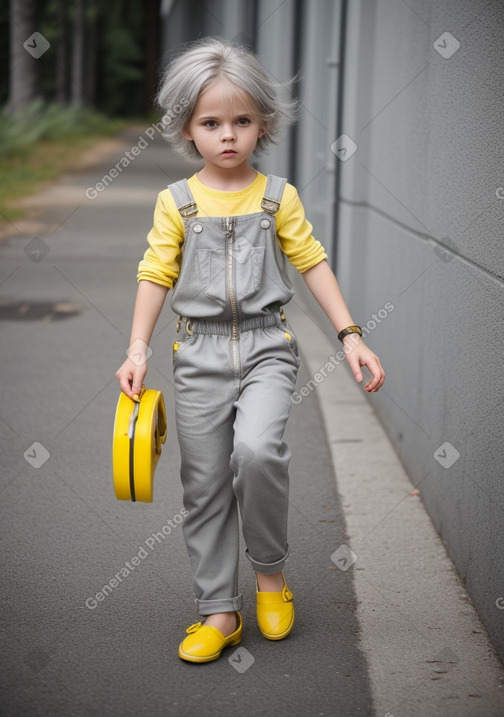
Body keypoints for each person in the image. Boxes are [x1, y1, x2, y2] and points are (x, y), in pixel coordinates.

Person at [116, 37, 385, 663]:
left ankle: (270, 574)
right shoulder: (175, 204)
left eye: (241, 121)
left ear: (263, 122)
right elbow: (155, 273)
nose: (228, 135)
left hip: (269, 347)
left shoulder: (278, 197)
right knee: (205, 483)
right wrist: (136, 350)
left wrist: (351, 335)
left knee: (258, 451)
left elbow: (312, 263)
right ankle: (218, 611)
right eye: (211, 123)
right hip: (198, 356)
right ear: (187, 127)